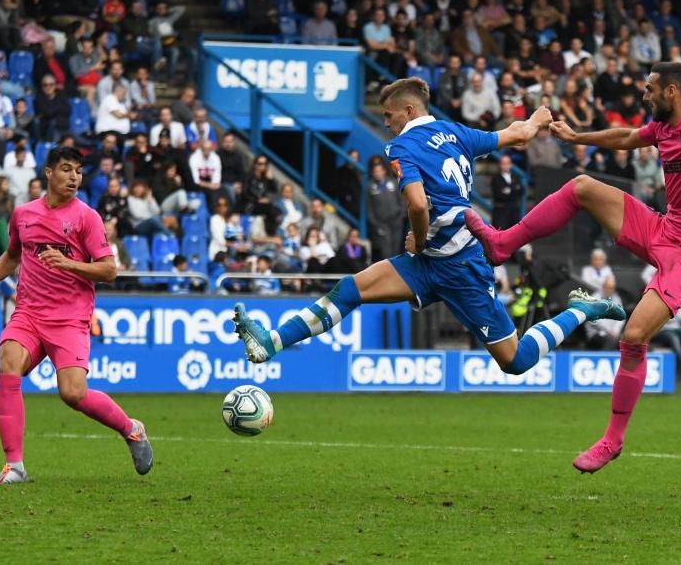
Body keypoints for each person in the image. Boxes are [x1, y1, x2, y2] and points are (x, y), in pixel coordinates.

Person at [233, 77, 623, 416]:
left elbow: (418, 203)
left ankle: (579, 310)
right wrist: (541, 115)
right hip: (432, 259)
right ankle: (272, 342)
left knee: (515, 360)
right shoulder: (456, 132)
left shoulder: (401, 148)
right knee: (351, 289)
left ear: (407, 110)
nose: (385, 123)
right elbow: (518, 135)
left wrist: (418, 242)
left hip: (461, 265)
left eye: (388, 116)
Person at [463, 62, 681, 473]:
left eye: (650, 88)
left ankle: (613, 440)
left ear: (672, 91)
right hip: (664, 229)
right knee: (582, 187)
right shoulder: (662, 128)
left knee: (635, 333)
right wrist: (577, 137)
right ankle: (503, 242)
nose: (644, 95)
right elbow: (626, 137)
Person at [0, 147, 152, 484]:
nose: (74, 176)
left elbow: (109, 270)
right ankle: (14, 466)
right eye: (66, 169)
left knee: (73, 394)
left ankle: (131, 428)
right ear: (48, 173)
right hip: (29, 312)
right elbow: (13, 254)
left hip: (70, 318)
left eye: (78, 170)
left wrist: (69, 264)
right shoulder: (24, 214)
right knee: (7, 362)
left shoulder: (86, 217)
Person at [366, 160, 404, 262]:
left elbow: (401, 201)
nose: (378, 173)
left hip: (396, 221)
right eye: (375, 171)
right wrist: (376, 225)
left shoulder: (393, 182)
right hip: (382, 224)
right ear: (373, 173)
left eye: (380, 170)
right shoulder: (370, 187)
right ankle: (389, 273)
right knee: (386, 252)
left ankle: (397, 275)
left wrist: (401, 216)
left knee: (397, 249)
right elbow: (369, 209)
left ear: (384, 171)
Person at [491, 154, 524, 231]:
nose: (506, 166)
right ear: (500, 165)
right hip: (501, 213)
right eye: (503, 163)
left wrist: (508, 191)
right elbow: (499, 194)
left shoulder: (515, 177)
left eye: (507, 163)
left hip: (514, 212)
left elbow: (521, 190)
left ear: (511, 164)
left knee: (515, 234)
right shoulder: (496, 178)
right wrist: (514, 190)